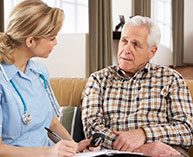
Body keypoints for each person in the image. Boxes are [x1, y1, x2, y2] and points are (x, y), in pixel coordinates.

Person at [0, 0, 92, 156]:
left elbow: (52, 122)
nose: (55, 42)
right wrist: (48, 152)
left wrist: (73, 147)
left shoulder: (39, 72)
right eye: (52, 37)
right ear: (30, 41)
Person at [81, 15, 193, 157]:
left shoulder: (171, 79)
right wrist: (139, 150)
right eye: (124, 41)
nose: (126, 49)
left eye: (135, 44)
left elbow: (187, 130)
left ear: (152, 51)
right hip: (113, 154)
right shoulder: (98, 79)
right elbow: (92, 128)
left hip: (163, 153)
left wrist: (144, 134)